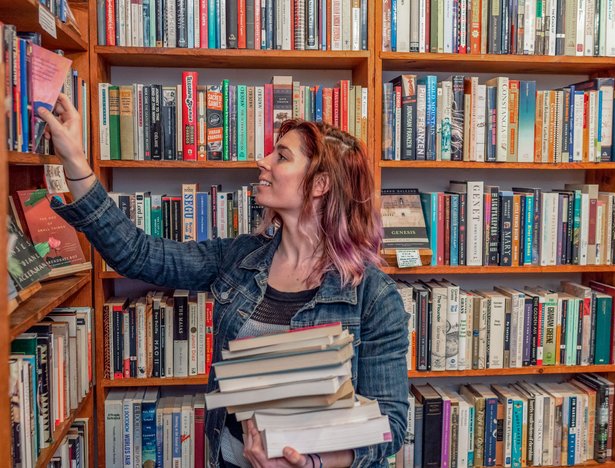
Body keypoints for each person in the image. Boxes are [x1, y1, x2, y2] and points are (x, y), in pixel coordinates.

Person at [39, 94, 409, 468]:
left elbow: (390, 424)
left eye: (281, 156)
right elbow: (138, 254)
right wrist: (75, 159)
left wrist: (310, 462)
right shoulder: (239, 257)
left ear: (320, 184)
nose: (262, 162)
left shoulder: (373, 295)